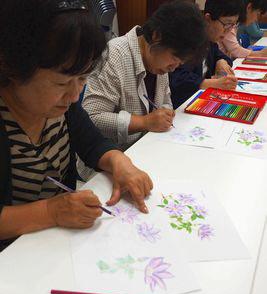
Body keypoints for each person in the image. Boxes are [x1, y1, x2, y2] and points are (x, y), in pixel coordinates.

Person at [0, 0, 153, 252]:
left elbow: (93, 144)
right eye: (61, 84)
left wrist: (120, 163)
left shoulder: (61, 107)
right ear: (14, 69)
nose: (73, 96)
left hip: (59, 247)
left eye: (82, 78)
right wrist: (50, 211)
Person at [81, 0, 208, 155]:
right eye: (174, 59)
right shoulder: (114, 56)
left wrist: (166, 113)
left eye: (179, 63)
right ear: (156, 36)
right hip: (107, 161)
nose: (173, 68)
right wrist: (144, 122)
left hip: (147, 148)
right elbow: (92, 118)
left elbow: (165, 101)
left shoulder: (158, 61)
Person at [170, 0, 241, 109]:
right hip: (180, 105)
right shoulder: (188, 41)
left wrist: (221, 62)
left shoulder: (209, 41)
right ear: (208, 19)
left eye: (233, 25)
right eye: (227, 24)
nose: (229, 30)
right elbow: (176, 78)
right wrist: (214, 83)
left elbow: (220, 55)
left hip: (200, 100)